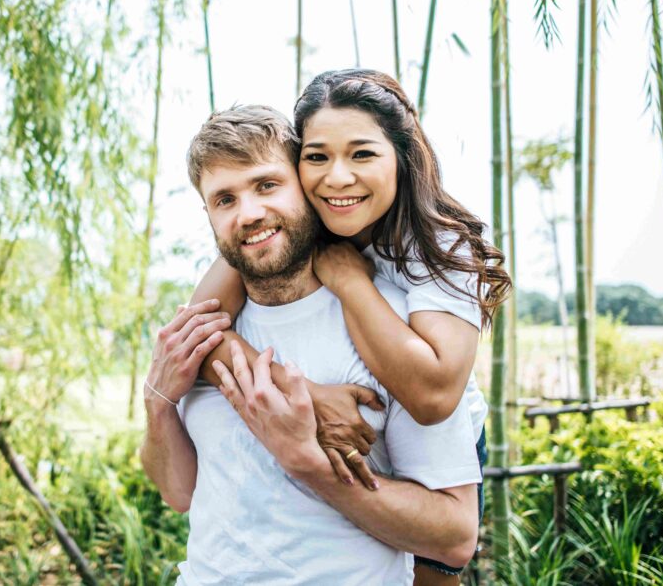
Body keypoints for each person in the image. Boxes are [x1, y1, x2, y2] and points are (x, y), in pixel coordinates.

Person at [188, 70, 511, 581]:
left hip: (444, 430)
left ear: (401, 157)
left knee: (433, 566)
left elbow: (432, 397)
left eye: (362, 154)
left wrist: (348, 282)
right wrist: (310, 397)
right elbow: (198, 337)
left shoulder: (439, 247)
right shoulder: (282, 223)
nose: (337, 178)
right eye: (317, 158)